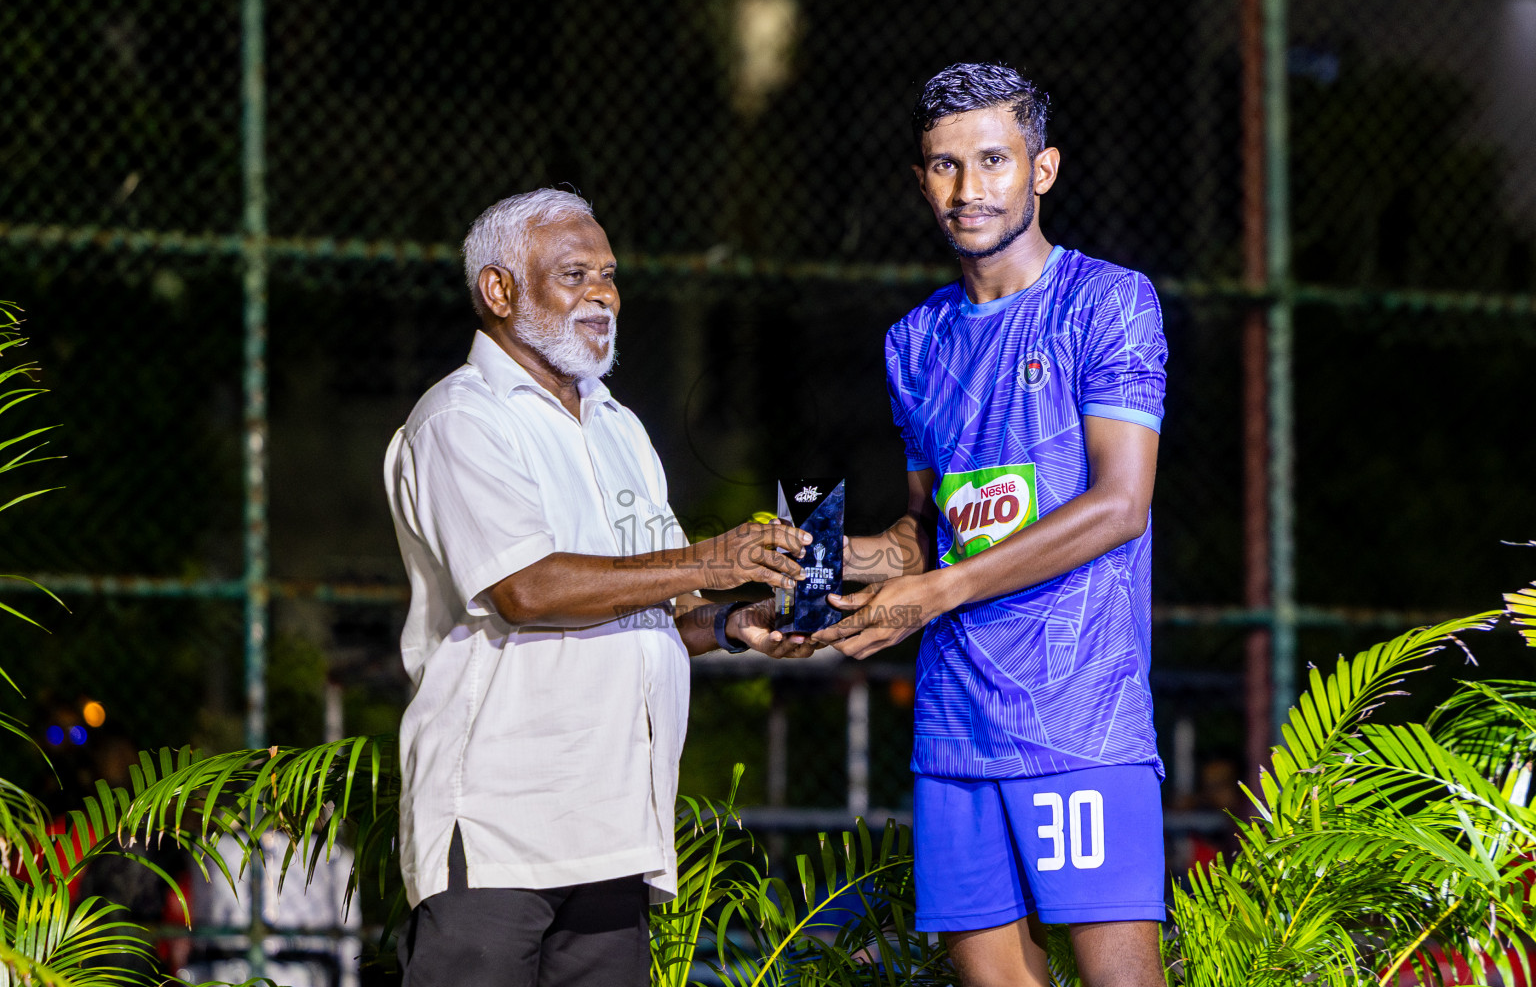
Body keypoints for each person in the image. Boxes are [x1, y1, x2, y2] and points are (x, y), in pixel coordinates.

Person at [384, 188, 813, 987]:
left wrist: (725, 624)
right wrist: (708, 563)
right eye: (574, 273)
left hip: (613, 830)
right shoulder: (460, 420)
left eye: (609, 275)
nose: (604, 295)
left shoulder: (619, 426)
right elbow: (527, 590)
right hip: (499, 830)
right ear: (499, 291)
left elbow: (648, 605)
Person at [814, 64, 1169, 987]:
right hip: (954, 726)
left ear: (1042, 169)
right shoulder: (914, 341)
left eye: (993, 161)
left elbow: (1120, 504)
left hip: (1080, 717)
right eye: (943, 166)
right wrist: (810, 558)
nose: (968, 191)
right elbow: (932, 531)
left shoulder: (1109, 303)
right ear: (920, 177)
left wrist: (936, 590)